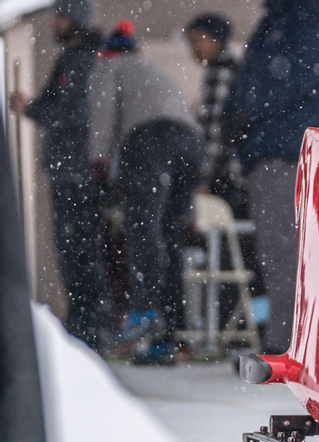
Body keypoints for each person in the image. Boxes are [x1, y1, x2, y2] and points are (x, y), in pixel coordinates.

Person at [223, 0, 319, 354]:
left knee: (285, 250)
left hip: (285, 149)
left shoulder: (307, 16)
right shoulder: (281, 17)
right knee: (280, 250)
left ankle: (289, 346)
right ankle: (289, 341)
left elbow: (289, 77)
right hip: (273, 148)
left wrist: (244, 110)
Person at [88, 20, 204, 365]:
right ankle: (171, 334)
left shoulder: (107, 67)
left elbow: (102, 113)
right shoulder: (150, 71)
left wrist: (99, 161)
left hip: (148, 141)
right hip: (189, 142)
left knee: (142, 231)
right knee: (170, 235)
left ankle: (142, 314)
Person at [9, 0, 112, 350]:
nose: (56, 21)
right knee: (75, 251)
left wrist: (32, 108)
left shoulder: (83, 59)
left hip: (77, 172)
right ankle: (85, 323)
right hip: (68, 170)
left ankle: (89, 326)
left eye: (62, 15)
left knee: (79, 250)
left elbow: (73, 113)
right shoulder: (74, 56)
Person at [184, 12, 247, 217]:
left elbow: (214, 131)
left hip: (227, 174)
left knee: (221, 239)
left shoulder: (219, 73)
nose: (193, 49)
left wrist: (204, 179)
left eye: (196, 40)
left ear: (216, 40)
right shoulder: (234, 69)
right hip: (240, 171)